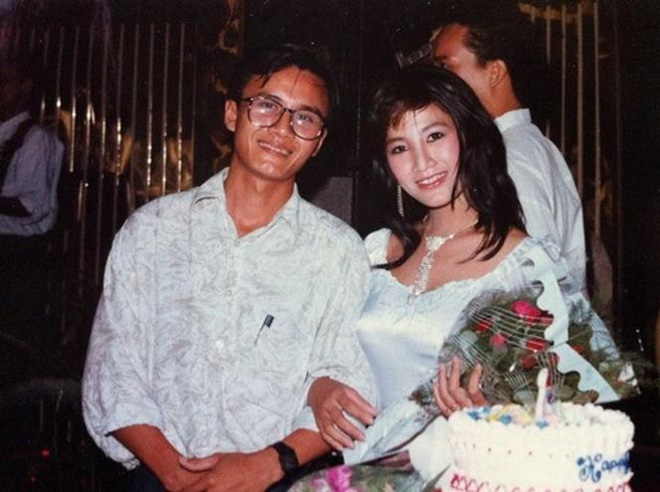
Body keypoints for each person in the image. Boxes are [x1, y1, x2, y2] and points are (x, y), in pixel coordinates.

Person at [303, 65, 616, 487]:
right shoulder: (376, 251)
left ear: (467, 136)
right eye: (400, 147)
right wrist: (319, 387)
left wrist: (499, 415)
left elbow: (595, 394)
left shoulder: (523, 264)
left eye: (435, 136)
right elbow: (321, 351)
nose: (422, 163)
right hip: (364, 471)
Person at [82, 44, 376, 492]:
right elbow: (113, 371)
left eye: (304, 118)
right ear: (232, 114)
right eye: (267, 105)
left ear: (318, 142)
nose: (282, 129)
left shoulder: (338, 252)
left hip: (276, 480)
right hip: (155, 477)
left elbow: (346, 384)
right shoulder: (154, 230)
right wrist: (174, 473)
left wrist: (266, 466)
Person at [430, 1, 588, 294]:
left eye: (445, 67)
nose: (436, 83)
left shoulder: (509, 158)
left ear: (494, 72)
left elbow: (532, 289)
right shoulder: (520, 147)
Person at [0, 50, 64, 344]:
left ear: (25, 87)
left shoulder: (35, 139)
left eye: (5, 81)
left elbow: (31, 206)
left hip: (16, 256)